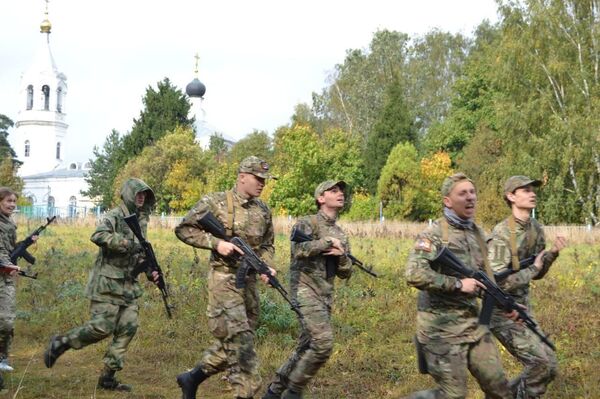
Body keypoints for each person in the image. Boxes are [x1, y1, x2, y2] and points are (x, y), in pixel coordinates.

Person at [174, 156, 277, 399]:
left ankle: (192, 378)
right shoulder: (216, 201)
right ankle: (246, 393)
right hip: (223, 281)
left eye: (265, 180)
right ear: (242, 177)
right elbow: (184, 228)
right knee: (242, 346)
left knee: (238, 341)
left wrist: (266, 266)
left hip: (248, 283)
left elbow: (268, 245)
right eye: (258, 178)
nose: (262, 183)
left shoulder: (263, 210)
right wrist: (216, 243)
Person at [43, 178, 159, 392]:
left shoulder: (142, 220)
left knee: (128, 327)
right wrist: (127, 244)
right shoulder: (114, 215)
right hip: (107, 283)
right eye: (138, 193)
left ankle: (108, 377)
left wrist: (151, 271)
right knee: (102, 328)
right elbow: (98, 235)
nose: (141, 197)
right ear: (128, 193)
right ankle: (62, 342)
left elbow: (140, 253)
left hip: (128, 285)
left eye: (145, 194)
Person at [404, 173, 513, 399]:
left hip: (474, 326)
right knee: (454, 395)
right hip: (440, 330)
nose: (470, 198)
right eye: (462, 193)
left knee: (500, 388)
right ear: (447, 201)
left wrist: (508, 305)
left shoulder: (480, 235)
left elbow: (489, 281)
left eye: (472, 192)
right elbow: (413, 273)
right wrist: (457, 284)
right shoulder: (433, 235)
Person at [262, 180, 353, 399]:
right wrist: (325, 243)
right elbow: (298, 250)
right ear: (321, 198)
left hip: (325, 295)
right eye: (334, 191)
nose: (340, 194)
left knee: (306, 347)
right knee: (323, 343)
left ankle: (273, 393)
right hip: (304, 290)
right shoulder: (307, 223)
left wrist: (341, 256)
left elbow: (346, 272)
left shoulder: (341, 233)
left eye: (341, 191)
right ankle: (294, 391)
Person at [487, 176, 566, 398]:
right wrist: (533, 269)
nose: (532, 194)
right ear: (511, 196)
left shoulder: (536, 230)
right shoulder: (502, 233)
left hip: (522, 308)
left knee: (550, 364)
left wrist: (552, 255)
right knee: (540, 363)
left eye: (533, 190)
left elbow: (538, 273)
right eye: (525, 190)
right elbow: (497, 284)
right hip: (501, 311)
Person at [0, 187, 36, 389]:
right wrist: (6, 264)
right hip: (3, 271)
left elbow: (10, 249)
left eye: (14, 201)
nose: (12, 204)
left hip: (5, 279)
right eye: (8, 201)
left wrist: (27, 243)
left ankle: (3, 357)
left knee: (6, 322)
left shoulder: (10, 224)